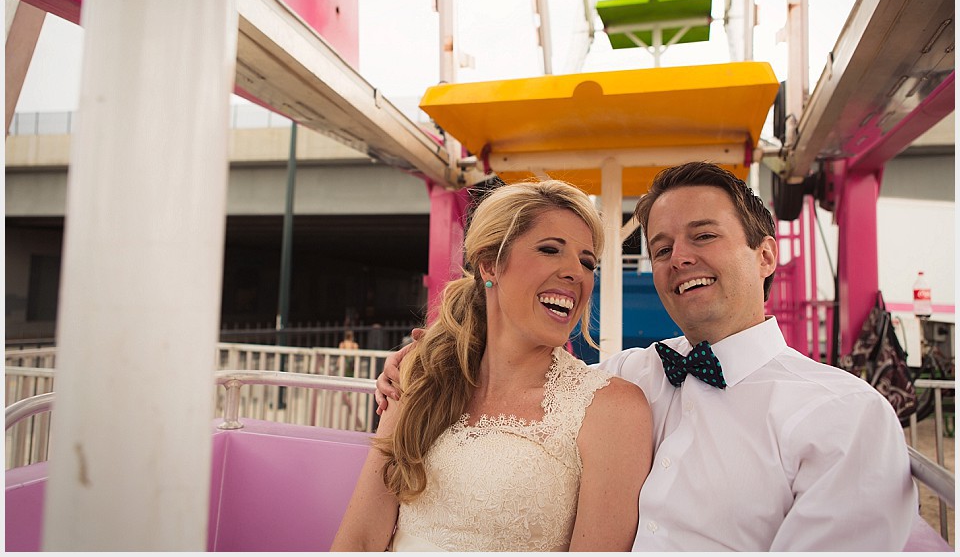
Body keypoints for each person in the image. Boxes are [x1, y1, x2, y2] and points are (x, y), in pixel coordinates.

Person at [376, 161, 918, 551]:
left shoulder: (845, 415)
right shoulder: (630, 375)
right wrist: (428, 355)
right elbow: (516, 375)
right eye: (661, 249)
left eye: (703, 236)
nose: (680, 258)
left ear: (766, 255)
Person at [332, 180, 653, 552]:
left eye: (587, 262)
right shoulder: (420, 378)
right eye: (550, 250)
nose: (576, 273)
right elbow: (359, 540)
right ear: (490, 265)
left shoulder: (611, 410)